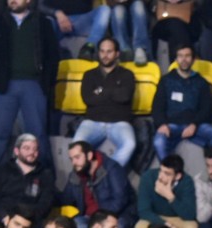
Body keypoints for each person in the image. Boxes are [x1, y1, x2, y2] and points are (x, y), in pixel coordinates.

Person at [0, 0, 59, 167]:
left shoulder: (43, 23)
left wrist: (47, 83)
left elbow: (53, 55)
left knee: (38, 134)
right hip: (3, 86)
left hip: (34, 85)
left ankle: (44, 178)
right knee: (0, 134)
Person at [151, 44, 212, 162]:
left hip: (196, 125)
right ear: (176, 59)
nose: (184, 59)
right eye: (180, 56)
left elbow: (206, 108)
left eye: (187, 56)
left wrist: (194, 124)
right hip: (171, 125)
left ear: (193, 59)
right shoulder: (166, 80)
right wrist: (162, 124)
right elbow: (157, 106)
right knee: (158, 142)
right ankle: (169, 170)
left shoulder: (201, 82)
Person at [73, 38, 137, 169]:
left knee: (130, 144)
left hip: (119, 122)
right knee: (76, 146)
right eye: (102, 51)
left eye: (109, 51)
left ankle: (105, 172)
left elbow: (124, 97)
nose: (105, 55)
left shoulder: (127, 75)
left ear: (117, 53)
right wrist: (114, 91)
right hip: (92, 122)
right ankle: (90, 175)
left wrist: (100, 91)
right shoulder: (89, 75)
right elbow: (88, 99)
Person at [60, 140, 137, 228]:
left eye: (77, 157)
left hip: (118, 215)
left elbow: (120, 200)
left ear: (89, 156)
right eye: (71, 159)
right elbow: (65, 199)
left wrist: (99, 218)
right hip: (90, 218)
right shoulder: (76, 174)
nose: (74, 163)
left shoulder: (111, 168)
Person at [0, 134, 57, 228]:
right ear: (16, 151)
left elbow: (46, 204)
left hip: (31, 222)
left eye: (35, 149)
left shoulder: (45, 174)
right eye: (27, 148)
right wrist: (3, 216)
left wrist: (26, 219)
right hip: (0, 219)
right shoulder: (1, 171)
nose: (32, 152)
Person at [136, 155, 198, 228]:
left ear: (178, 176)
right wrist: (169, 226)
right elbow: (143, 211)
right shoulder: (148, 177)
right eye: (161, 170)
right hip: (155, 217)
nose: (161, 176)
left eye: (167, 174)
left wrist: (170, 196)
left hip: (179, 218)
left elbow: (189, 215)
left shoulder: (187, 182)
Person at [41, 0, 111, 60]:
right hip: (56, 21)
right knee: (47, 21)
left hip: (81, 21)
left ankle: (88, 48)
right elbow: (40, 5)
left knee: (104, 10)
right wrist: (57, 13)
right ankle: (54, 53)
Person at [109, 0, 150, 65]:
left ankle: (140, 48)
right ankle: (124, 50)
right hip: (117, 5)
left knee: (138, 6)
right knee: (118, 11)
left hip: (138, 5)